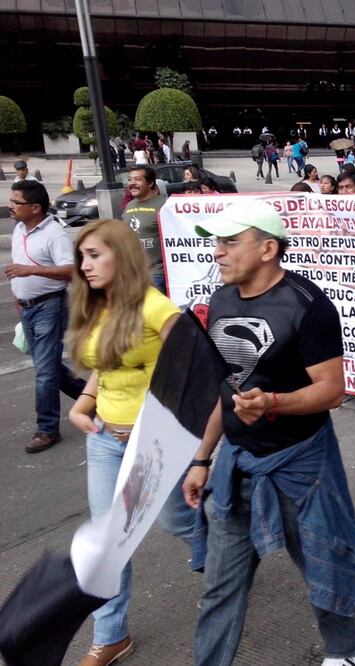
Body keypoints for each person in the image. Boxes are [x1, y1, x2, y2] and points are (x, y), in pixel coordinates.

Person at [183, 199, 355, 666]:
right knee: (221, 587)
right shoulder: (222, 300)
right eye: (217, 242)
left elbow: (332, 390)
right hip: (237, 464)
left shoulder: (308, 306)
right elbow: (224, 386)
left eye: (231, 242)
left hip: (300, 465)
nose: (218, 251)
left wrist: (273, 403)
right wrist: (202, 458)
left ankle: (346, 647)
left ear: (268, 248)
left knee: (319, 562)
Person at [66, 218, 193, 665]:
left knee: (177, 521)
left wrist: (184, 440)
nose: (85, 266)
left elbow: (194, 372)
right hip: (104, 438)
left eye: (94, 255)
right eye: (81, 257)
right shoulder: (97, 304)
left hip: (154, 442)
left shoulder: (157, 309)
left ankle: (227, 561)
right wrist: (84, 404)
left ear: (122, 256)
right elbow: (109, 363)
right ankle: (111, 635)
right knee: (108, 541)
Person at [5, 180, 86, 453]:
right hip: (26, 307)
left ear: (35, 208)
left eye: (16, 202)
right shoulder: (19, 229)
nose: (11, 206)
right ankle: (93, 399)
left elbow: (70, 270)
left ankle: (47, 429)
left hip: (49, 307)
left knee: (44, 371)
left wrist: (31, 271)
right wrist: (18, 297)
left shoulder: (55, 234)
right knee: (48, 366)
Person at [122, 166, 168, 293]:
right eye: (130, 179)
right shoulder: (129, 206)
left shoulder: (164, 205)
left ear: (151, 183)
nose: (132, 183)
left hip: (156, 274)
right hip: (132, 274)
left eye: (137, 179)